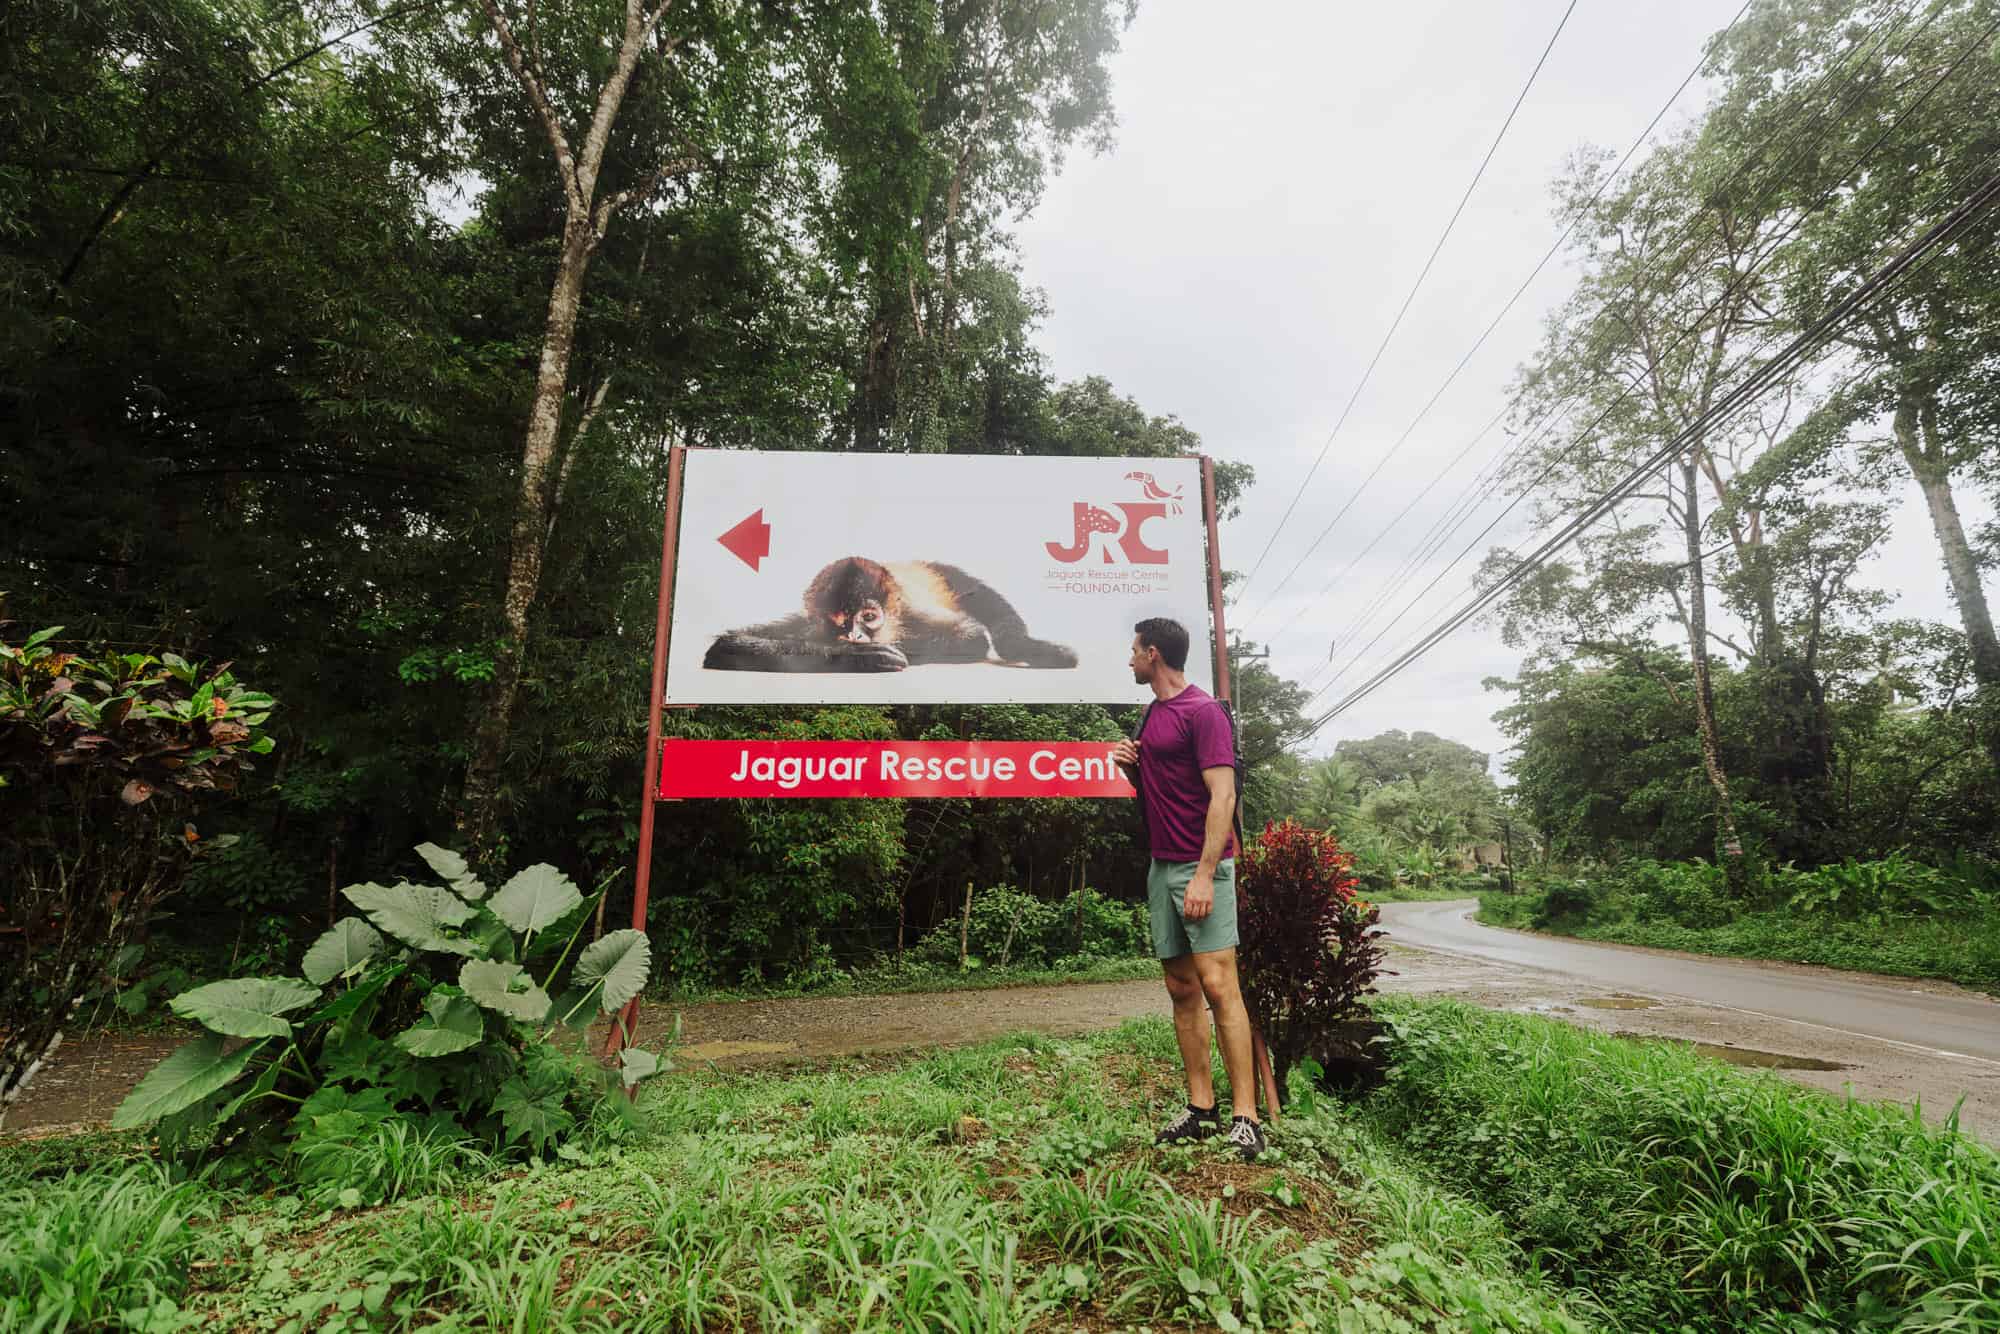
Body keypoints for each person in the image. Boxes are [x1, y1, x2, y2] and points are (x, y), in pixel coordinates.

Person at [1112, 617, 1264, 1162]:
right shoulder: (1151, 716)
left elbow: (1221, 798)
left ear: (1153, 654)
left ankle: (1246, 1116)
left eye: (1134, 651)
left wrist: (1204, 874)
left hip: (1205, 868)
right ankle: (1202, 1108)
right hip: (1162, 866)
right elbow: (1159, 792)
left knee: (1220, 985)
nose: (1128, 659)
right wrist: (1132, 767)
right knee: (1181, 988)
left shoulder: (1204, 713)